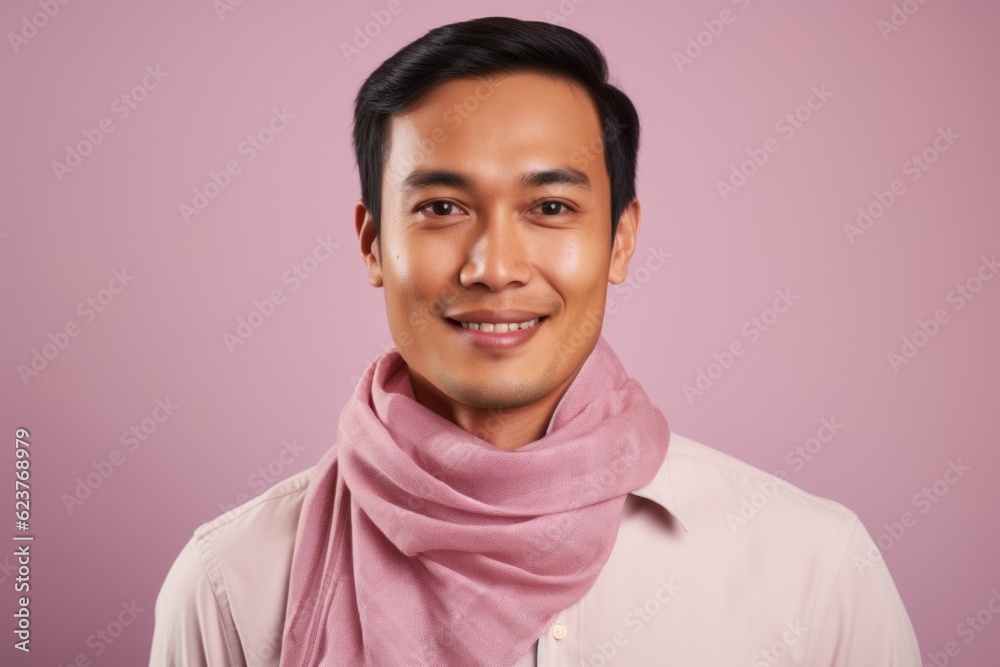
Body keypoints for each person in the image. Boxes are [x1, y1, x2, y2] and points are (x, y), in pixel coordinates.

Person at [149, 16, 921, 667]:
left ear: (621, 241)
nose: (495, 268)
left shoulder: (812, 571)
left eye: (550, 206)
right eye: (443, 206)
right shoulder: (232, 584)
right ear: (372, 244)